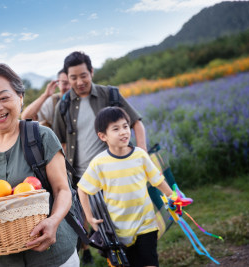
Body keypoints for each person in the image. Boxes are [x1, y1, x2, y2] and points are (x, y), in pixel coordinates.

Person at [0, 63, 78, 267]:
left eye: (4, 98)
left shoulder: (42, 138)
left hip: (52, 258)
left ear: (20, 98)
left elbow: (63, 190)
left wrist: (53, 221)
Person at [52, 51, 147, 264]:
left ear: (91, 72)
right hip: (87, 181)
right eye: (73, 77)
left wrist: (142, 155)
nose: (79, 81)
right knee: (106, 235)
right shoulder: (63, 106)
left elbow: (136, 123)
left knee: (129, 226)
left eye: (83, 75)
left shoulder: (109, 95)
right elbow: (61, 145)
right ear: (67, 78)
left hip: (118, 173)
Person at [77, 106, 173, 267]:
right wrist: (90, 218)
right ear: (102, 136)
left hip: (146, 224)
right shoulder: (99, 163)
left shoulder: (140, 156)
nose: (123, 132)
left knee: (149, 262)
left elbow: (157, 180)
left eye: (125, 126)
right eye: (116, 129)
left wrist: (172, 197)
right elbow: (82, 189)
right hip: (117, 230)